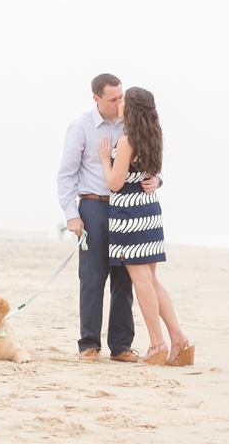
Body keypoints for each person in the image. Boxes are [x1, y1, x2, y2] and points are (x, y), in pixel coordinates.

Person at [57, 73, 162, 362]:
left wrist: (158, 180)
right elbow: (66, 174)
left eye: (121, 97)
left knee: (124, 280)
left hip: (128, 209)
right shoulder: (81, 127)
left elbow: (149, 160)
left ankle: (121, 346)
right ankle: (89, 344)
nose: (119, 103)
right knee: (92, 278)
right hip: (93, 207)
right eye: (112, 99)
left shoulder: (132, 124)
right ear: (97, 99)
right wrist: (71, 215)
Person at [98, 86, 194, 366]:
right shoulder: (154, 135)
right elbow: (152, 173)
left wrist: (106, 159)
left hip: (129, 215)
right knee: (151, 280)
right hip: (149, 212)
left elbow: (115, 183)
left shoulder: (127, 141)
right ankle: (178, 338)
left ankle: (157, 343)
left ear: (132, 108)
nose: (119, 104)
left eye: (123, 101)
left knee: (141, 283)